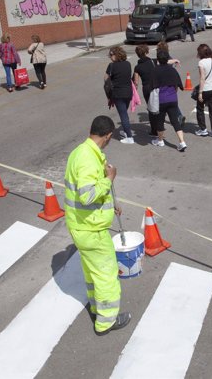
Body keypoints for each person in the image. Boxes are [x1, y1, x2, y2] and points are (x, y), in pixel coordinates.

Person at [64, 115, 132, 335]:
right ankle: (106, 322)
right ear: (108, 135)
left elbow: (89, 193)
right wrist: (109, 178)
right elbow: (87, 195)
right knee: (106, 274)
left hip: (81, 226)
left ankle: (96, 309)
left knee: (93, 273)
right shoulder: (87, 159)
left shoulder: (81, 152)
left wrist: (111, 205)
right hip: (91, 231)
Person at [151, 50, 187, 152]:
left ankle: (160, 140)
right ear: (167, 59)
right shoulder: (172, 70)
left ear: (158, 59)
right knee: (175, 121)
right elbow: (180, 84)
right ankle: (182, 142)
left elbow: (152, 85)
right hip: (172, 99)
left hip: (161, 100)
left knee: (160, 121)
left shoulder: (155, 70)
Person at [105, 46, 134, 144]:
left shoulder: (111, 66)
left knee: (123, 115)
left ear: (116, 55)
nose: (110, 57)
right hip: (128, 93)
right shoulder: (128, 64)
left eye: (111, 55)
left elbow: (105, 79)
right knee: (124, 112)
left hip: (118, 94)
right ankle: (126, 131)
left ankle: (129, 137)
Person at [155, 41, 186, 127]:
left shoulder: (162, 58)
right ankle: (179, 116)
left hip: (164, 83)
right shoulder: (169, 57)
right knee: (172, 101)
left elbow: (159, 64)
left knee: (164, 102)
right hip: (172, 83)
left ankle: (172, 116)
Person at [194, 43, 212, 138]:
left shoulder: (201, 63)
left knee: (200, 109)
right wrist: (211, 80)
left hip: (205, 90)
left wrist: (200, 92)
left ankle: (203, 129)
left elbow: (202, 78)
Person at [133, 45, 157, 136]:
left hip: (146, 88)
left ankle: (154, 131)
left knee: (151, 109)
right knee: (159, 106)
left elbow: (136, 82)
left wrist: (134, 92)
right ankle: (160, 126)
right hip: (156, 86)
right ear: (147, 52)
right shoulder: (153, 61)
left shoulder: (137, 67)